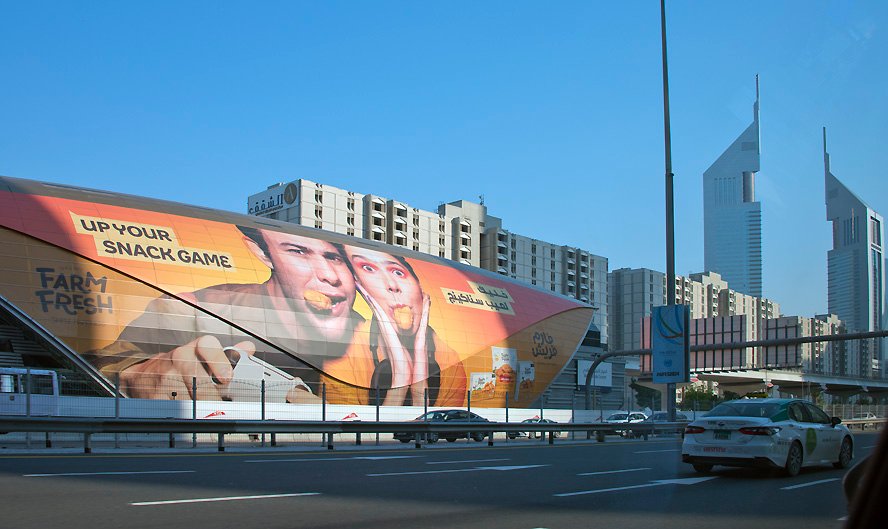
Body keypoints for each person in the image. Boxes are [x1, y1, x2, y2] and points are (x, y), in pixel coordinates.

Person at [85, 227, 365, 403]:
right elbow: (97, 365)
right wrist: (137, 374)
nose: (329, 275)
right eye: (298, 252)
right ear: (262, 253)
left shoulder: (370, 336)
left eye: (335, 257)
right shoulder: (193, 309)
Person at [327, 245, 466, 406]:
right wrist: (400, 380)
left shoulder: (450, 362)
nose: (392, 285)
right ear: (358, 287)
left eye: (398, 272)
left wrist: (419, 382)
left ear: (419, 287)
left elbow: (439, 421)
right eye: (368, 268)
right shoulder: (343, 356)